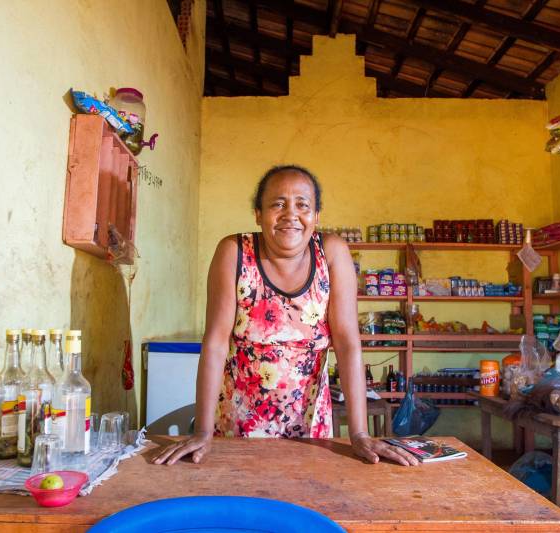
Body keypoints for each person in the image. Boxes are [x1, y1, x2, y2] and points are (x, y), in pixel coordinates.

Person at [152, 165, 419, 467]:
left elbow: (347, 344)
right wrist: (201, 431)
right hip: (236, 430)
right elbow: (214, 344)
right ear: (258, 213)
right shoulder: (234, 252)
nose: (290, 214)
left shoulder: (332, 253)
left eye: (302, 205)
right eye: (277, 204)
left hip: (311, 432)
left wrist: (358, 433)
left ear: (316, 216)